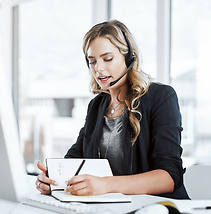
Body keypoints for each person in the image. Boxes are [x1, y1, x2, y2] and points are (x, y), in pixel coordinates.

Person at [35, 20, 189, 199]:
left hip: (157, 212)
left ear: (129, 57)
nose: (98, 69)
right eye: (92, 62)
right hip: (113, 209)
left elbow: (169, 176)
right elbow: (75, 159)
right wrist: (54, 180)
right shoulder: (97, 106)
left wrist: (106, 184)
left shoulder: (161, 97)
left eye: (107, 59)